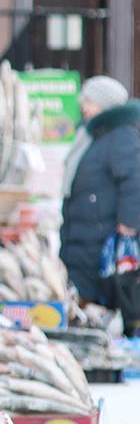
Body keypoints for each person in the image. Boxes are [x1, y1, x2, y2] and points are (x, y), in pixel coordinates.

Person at [60, 75, 140, 304]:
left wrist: (128, 224)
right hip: (85, 234)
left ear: (106, 104)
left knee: (97, 293)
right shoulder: (93, 135)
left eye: (90, 101)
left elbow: (133, 181)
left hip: (100, 236)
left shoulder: (121, 136)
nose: (84, 107)